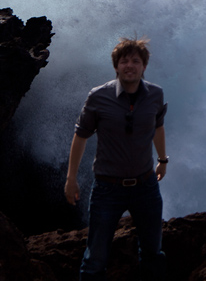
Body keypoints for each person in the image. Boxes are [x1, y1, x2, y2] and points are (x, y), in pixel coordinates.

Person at [65, 36, 168, 280]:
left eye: (135, 61)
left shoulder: (155, 94)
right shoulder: (98, 97)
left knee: (153, 253)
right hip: (107, 189)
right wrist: (71, 178)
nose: (129, 65)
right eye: (124, 61)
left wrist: (163, 160)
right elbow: (80, 136)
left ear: (144, 66)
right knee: (95, 259)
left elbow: (158, 127)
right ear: (116, 66)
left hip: (146, 187)